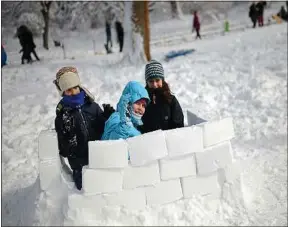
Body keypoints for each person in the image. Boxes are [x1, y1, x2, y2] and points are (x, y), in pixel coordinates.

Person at [54, 66, 115, 190]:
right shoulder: (62, 116)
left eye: (75, 88)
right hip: (80, 165)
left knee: (106, 190)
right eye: (68, 90)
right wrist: (70, 142)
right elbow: (62, 147)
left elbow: (104, 129)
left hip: (99, 159)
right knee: (86, 195)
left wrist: (108, 117)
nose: (73, 92)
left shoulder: (92, 107)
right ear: (63, 92)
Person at [138, 60, 184, 134]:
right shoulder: (141, 102)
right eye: (151, 81)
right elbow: (137, 125)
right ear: (147, 82)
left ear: (162, 80)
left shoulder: (171, 100)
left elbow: (178, 125)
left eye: (157, 80)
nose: (155, 84)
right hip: (147, 142)